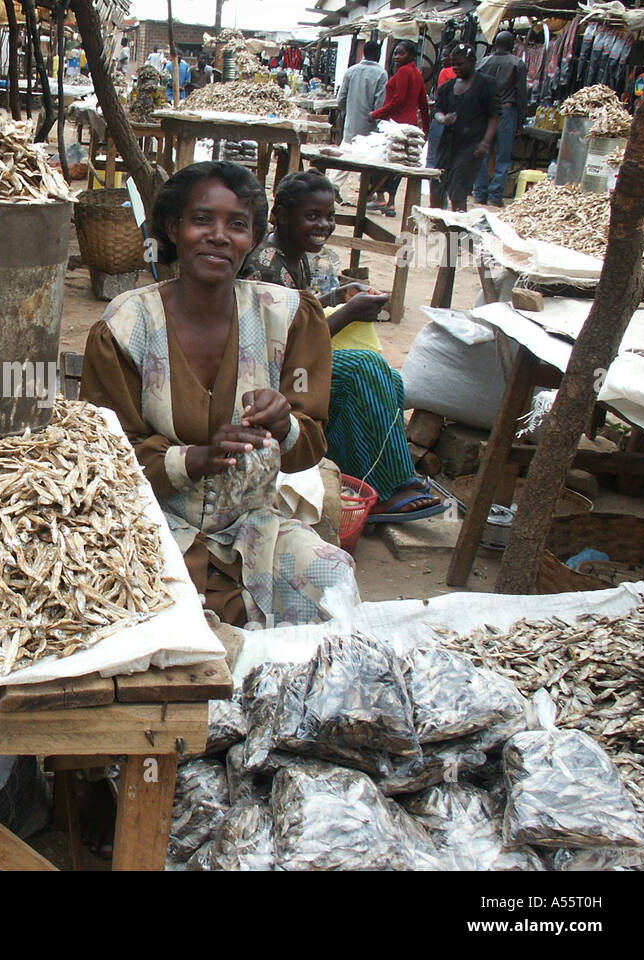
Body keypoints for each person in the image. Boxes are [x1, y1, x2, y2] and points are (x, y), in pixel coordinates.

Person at [80, 161, 358, 628]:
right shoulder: (126, 326)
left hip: (254, 527)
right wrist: (195, 459)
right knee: (124, 610)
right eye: (202, 220)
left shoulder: (288, 318)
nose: (219, 236)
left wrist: (284, 422)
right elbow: (102, 455)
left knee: (332, 581)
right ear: (173, 227)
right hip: (154, 523)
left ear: (252, 239)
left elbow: (309, 443)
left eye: (237, 225)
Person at [241, 171, 451, 523]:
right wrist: (347, 315)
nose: (323, 225)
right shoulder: (263, 265)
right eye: (312, 216)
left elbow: (296, 314)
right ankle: (387, 489)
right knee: (362, 369)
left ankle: (368, 472)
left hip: (294, 367)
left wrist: (332, 298)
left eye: (329, 217)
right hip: (265, 378)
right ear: (280, 215)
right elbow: (273, 343)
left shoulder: (297, 256)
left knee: (392, 381)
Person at [432, 43, 500, 212]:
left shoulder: (486, 85)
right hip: (447, 146)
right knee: (437, 187)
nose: (456, 67)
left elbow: (494, 115)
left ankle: (457, 234)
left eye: (460, 64)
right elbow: (437, 110)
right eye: (454, 63)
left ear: (471, 62)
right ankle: (435, 231)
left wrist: (485, 142)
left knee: (458, 192)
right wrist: (443, 119)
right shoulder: (447, 87)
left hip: (471, 147)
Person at [370, 40, 431, 216]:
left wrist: (376, 114)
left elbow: (398, 101)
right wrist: (425, 128)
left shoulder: (404, 72)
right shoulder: (417, 74)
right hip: (410, 126)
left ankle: (380, 197)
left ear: (411, 55)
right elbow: (423, 103)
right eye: (395, 53)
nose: (396, 57)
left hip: (395, 125)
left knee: (381, 160)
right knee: (399, 164)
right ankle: (390, 203)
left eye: (401, 53)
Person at [472, 30, 528, 207]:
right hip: (506, 111)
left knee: (483, 153)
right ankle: (495, 196)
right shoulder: (517, 64)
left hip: (485, 113)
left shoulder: (483, 62)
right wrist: (521, 120)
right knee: (503, 156)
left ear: (495, 44)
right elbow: (521, 94)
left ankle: (479, 193)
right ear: (512, 46)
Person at [338, 40, 388, 144]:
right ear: (378, 54)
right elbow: (379, 104)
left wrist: (350, 112)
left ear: (364, 53)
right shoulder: (381, 74)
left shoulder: (351, 71)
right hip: (369, 131)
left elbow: (341, 100)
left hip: (350, 128)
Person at [425, 46, 458, 177]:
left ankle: (431, 181)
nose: (443, 59)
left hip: (442, 117)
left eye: (446, 55)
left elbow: (440, 96)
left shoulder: (445, 72)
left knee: (433, 155)